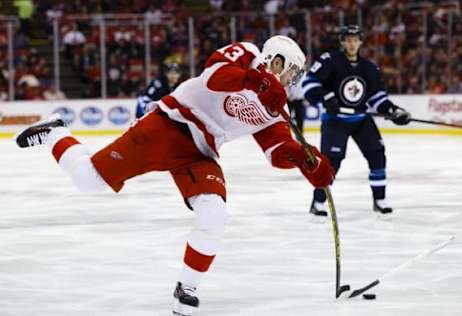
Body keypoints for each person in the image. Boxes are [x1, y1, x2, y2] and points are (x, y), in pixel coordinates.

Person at [15, 35, 334, 316]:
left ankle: (187, 288)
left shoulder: (276, 109)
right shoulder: (247, 53)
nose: (292, 80)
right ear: (276, 61)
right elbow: (215, 77)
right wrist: (256, 82)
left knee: (215, 213)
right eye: (291, 71)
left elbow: (276, 151)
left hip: (200, 152)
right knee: (89, 180)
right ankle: (56, 132)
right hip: (169, 124)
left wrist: (303, 160)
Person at [301, 25, 411, 216]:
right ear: (342, 42)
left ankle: (380, 200)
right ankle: (318, 203)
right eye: (348, 40)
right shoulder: (329, 61)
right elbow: (309, 84)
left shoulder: (369, 68)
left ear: (360, 42)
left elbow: (377, 98)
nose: (352, 43)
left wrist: (393, 111)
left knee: (377, 155)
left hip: (361, 119)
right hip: (335, 120)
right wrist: (325, 97)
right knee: (331, 163)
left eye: (355, 40)